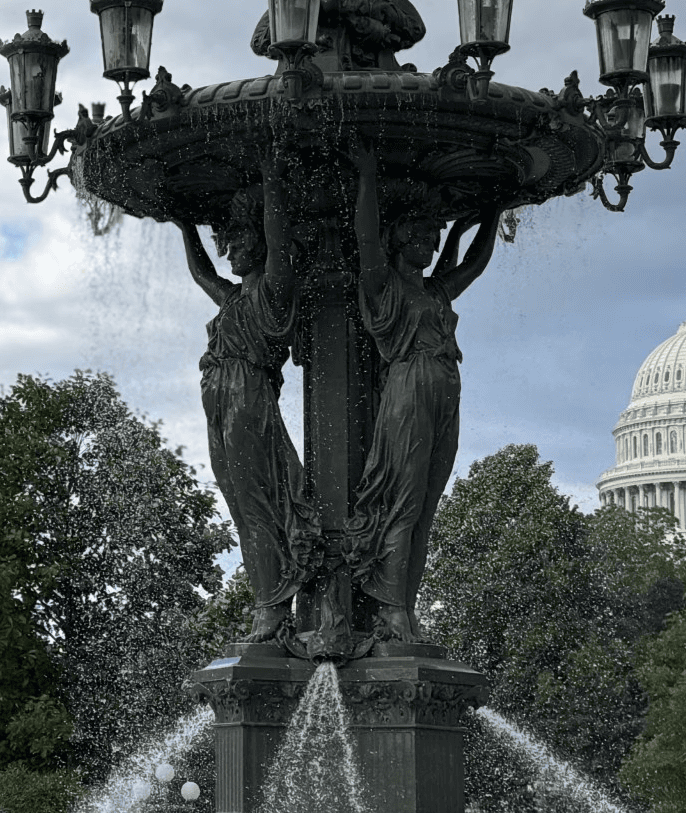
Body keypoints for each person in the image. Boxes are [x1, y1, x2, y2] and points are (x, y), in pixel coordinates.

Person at [346, 140, 501, 642]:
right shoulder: (383, 286)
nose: (431, 244)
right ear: (398, 238)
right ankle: (389, 608)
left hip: (444, 389)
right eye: (421, 235)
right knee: (404, 501)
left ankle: (406, 608)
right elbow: (365, 238)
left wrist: (493, 212)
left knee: (427, 503)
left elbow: (474, 264)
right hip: (409, 388)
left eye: (435, 237)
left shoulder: (433, 290)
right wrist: (367, 172)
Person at [177, 153, 317, 642]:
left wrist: (273, 181)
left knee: (256, 505)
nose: (230, 251)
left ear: (260, 245)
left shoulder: (275, 290)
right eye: (228, 242)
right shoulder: (235, 298)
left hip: (246, 399)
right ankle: (270, 602)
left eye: (239, 242)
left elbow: (280, 240)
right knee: (239, 503)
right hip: (221, 401)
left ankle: (272, 607)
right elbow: (200, 274)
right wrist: (181, 224)